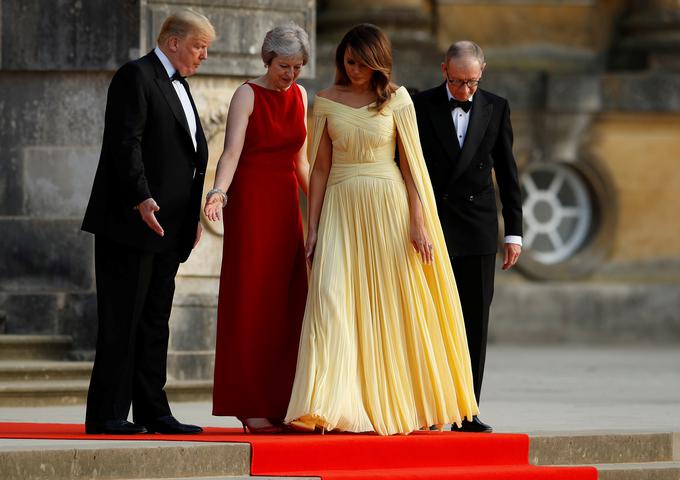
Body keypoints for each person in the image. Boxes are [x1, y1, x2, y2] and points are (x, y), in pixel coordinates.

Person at [284, 24, 478, 436]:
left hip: (389, 208)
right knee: (329, 298)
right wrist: (313, 225)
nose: (353, 69)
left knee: (396, 304)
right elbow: (318, 169)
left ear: (377, 62)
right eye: (348, 61)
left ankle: (411, 401)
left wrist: (419, 223)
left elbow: (411, 168)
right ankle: (324, 404)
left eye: (361, 62)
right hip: (340, 207)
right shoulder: (324, 101)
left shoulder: (398, 100)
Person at [81, 10, 215, 435]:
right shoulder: (135, 76)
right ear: (173, 42)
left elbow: (191, 158)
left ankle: (153, 411)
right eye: (199, 46)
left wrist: (192, 216)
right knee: (123, 319)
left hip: (171, 227)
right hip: (132, 223)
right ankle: (107, 414)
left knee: (155, 322)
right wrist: (141, 196)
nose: (204, 55)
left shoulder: (181, 86)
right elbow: (125, 142)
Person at [204, 24, 310, 434]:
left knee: (287, 303)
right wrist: (218, 193)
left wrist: (325, 204)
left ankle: (285, 402)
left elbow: (301, 162)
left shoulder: (301, 96)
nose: (292, 74)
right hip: (250, 203)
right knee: (251, 299)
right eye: (285, 65)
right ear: (268, 60)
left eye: (298, 66)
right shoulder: (247, 94)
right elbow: (230, 153)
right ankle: (248, 404)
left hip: (286, 205)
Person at [412, 41, 523, 433]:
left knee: (474, 322)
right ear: (444, 69)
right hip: (433, 226)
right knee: (429, 318)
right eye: (458, 82)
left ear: (483, 72)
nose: (465, 91)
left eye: (472, 82)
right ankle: (426, 407)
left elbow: (508, 174)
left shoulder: (496, 106)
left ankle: (466, 409)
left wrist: (514, 233)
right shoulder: (419, 104)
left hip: (477, 228)